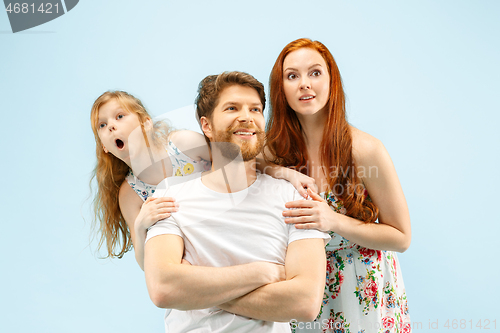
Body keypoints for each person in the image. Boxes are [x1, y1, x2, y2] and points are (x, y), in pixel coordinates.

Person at [144, 71, 330, 332]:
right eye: (232, 108)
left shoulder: (294, 196)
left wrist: (198, 291)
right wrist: (262, 273)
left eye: (255, 109)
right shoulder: (168, 197)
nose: (247, 117)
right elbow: (163, 289)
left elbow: (306, 302)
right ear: (206, 126)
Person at [266, 38, 412, 332]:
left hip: (363, 293)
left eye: (315, 73)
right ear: (281, 89)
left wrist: (332, 220)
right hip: (304, 292)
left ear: (332, 81)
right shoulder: (274, 150)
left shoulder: (365, 150)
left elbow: (401, 237)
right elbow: (231, 164)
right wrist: (282, 172)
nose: (304, 84)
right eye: (292, 76)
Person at [89, 91, 315, 269]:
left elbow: (240, 160)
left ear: (146, 123)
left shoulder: (183, 145)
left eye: (120, 116)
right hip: (198, 256)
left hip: (236, 227)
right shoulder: (130, 194)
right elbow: (146, 264)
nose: (111, 126)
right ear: (104, 148)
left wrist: (286, 173)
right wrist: (140, 226)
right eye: (102, 125)